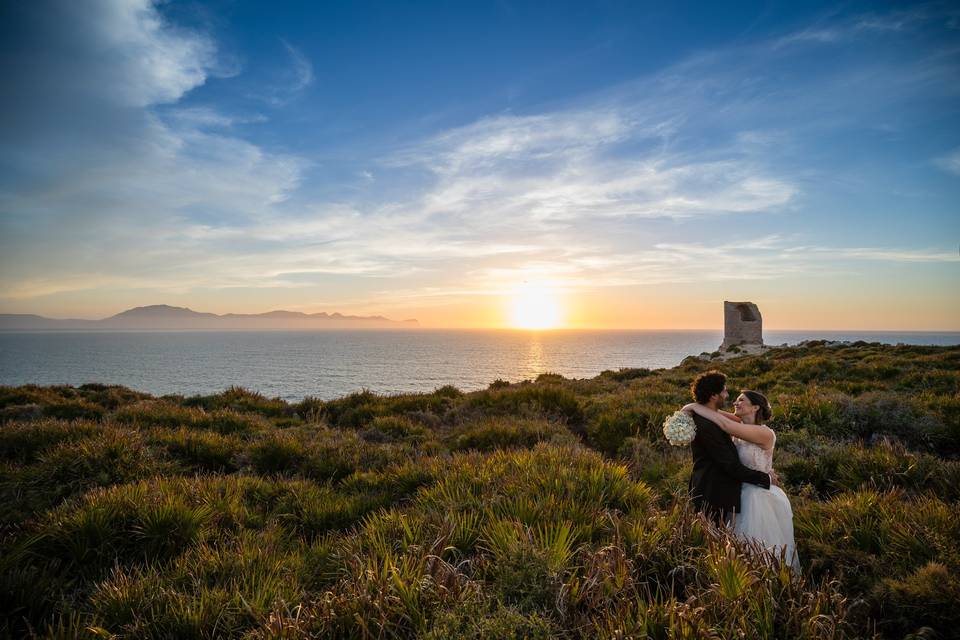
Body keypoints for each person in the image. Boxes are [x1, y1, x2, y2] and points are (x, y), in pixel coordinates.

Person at [683, 386, 800, 571]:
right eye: (736, 399)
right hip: (736, 492)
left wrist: (694, 407)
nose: (736, 402)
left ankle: (771, 583)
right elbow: (717, 414)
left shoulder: (764, 433)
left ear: (755, 408)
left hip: (759, 496)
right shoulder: (741, 424)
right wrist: (696, 406)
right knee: (737, 550)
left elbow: (725, 424)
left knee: (761, 547)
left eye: (742, 400)